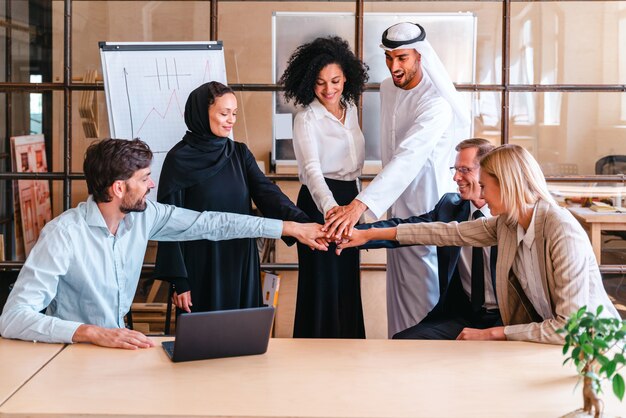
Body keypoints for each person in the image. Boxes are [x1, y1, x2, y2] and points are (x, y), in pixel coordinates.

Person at [0, 138, 326, 348]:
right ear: (117, 188)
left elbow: (213, 223)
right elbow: (13, 317)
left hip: (120, 349)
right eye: (143, 179)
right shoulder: (63, 235)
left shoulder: (145, 216)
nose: (152, 184)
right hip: (69, 357)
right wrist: (91, 332)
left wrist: (290, 227)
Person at [338, 144, 620, 344]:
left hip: (592, 349)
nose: (480, 194)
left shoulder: (561, 230)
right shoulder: (508, 224)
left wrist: (495, 333)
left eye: (485, 186)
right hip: (543, 342)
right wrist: (368, 234)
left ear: (507, 184)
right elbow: (445, 233)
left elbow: (571, 328)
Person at [324, 22, 471, 337]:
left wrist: (359, 205)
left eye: (402, 58)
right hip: (395, 202)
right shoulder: (388, 87)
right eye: (389, 58)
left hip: (430, 206)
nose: (394, 66)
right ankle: (399, 355)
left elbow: (409, 156)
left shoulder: (436, 102)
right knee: (399, 289)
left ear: (420, 55)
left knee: (427, 288)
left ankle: (426, 365)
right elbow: (392, 156)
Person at [154, 81, 311, 314]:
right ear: (201, 113)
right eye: (224, 113)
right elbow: (168, 223)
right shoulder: (178, 160)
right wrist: (180, 280)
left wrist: (304, 224)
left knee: (242, 335)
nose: (231, 120)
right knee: (206, 340)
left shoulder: (238, 153)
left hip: (240, 259)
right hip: (201, 263)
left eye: (234, 113)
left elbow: (268, 194)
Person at [357, 138, 499, 339]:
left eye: (464, 170)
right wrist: (355, 234)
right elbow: (410, 228)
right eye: (455, 169)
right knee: (403, 341)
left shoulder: (508, 215)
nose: (456, 178)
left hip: (506, 318)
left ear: (487, 172)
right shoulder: (450, 207)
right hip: (461, 315)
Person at [280, 36, 369, 338]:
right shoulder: (306, 119)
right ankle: (314, 352)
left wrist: (352, 208)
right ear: (309, 82)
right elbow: (312, 171)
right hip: (320, 203)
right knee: (320, 282)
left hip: (350, 200)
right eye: (320, 83)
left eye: (335, 81)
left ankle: (349, 349)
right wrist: (332, 210)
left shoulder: (352, 108)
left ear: (347, 78)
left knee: (346, 279)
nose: (329, 90)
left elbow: (354, 163)